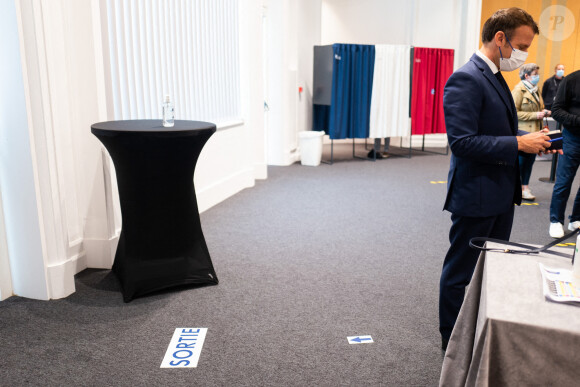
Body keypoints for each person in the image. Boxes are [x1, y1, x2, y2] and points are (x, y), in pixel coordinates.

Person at [439, 8, 553, 351]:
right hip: (476, 193)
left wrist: (536, 141)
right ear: (499, 38)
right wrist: (519, 142)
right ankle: (452, 342)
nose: (524, 55)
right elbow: (462, 142)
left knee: (489, 267)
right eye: (521, 46)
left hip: (501, 191)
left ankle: (475, 331)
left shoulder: (494, 75)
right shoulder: (466, 77)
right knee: (461, 271)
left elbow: (496, 129)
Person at [549, 69, 580, 238]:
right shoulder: (571, 80)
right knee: (563, 182)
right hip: (573, 138)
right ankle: (555, 221)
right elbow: (557, 111)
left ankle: (576, 219)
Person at [512, 63, 549, 201]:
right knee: (521, 163)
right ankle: (516, 188)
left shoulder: (535, 89)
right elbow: (513, 113)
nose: (537, 77)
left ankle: (525, 188)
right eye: (535, 74)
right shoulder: (518, 90)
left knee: (530, 162)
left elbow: (539, 107)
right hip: (523, 133)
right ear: (526, 76)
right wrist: (535, 115)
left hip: (536, 132)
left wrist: (543, 112)